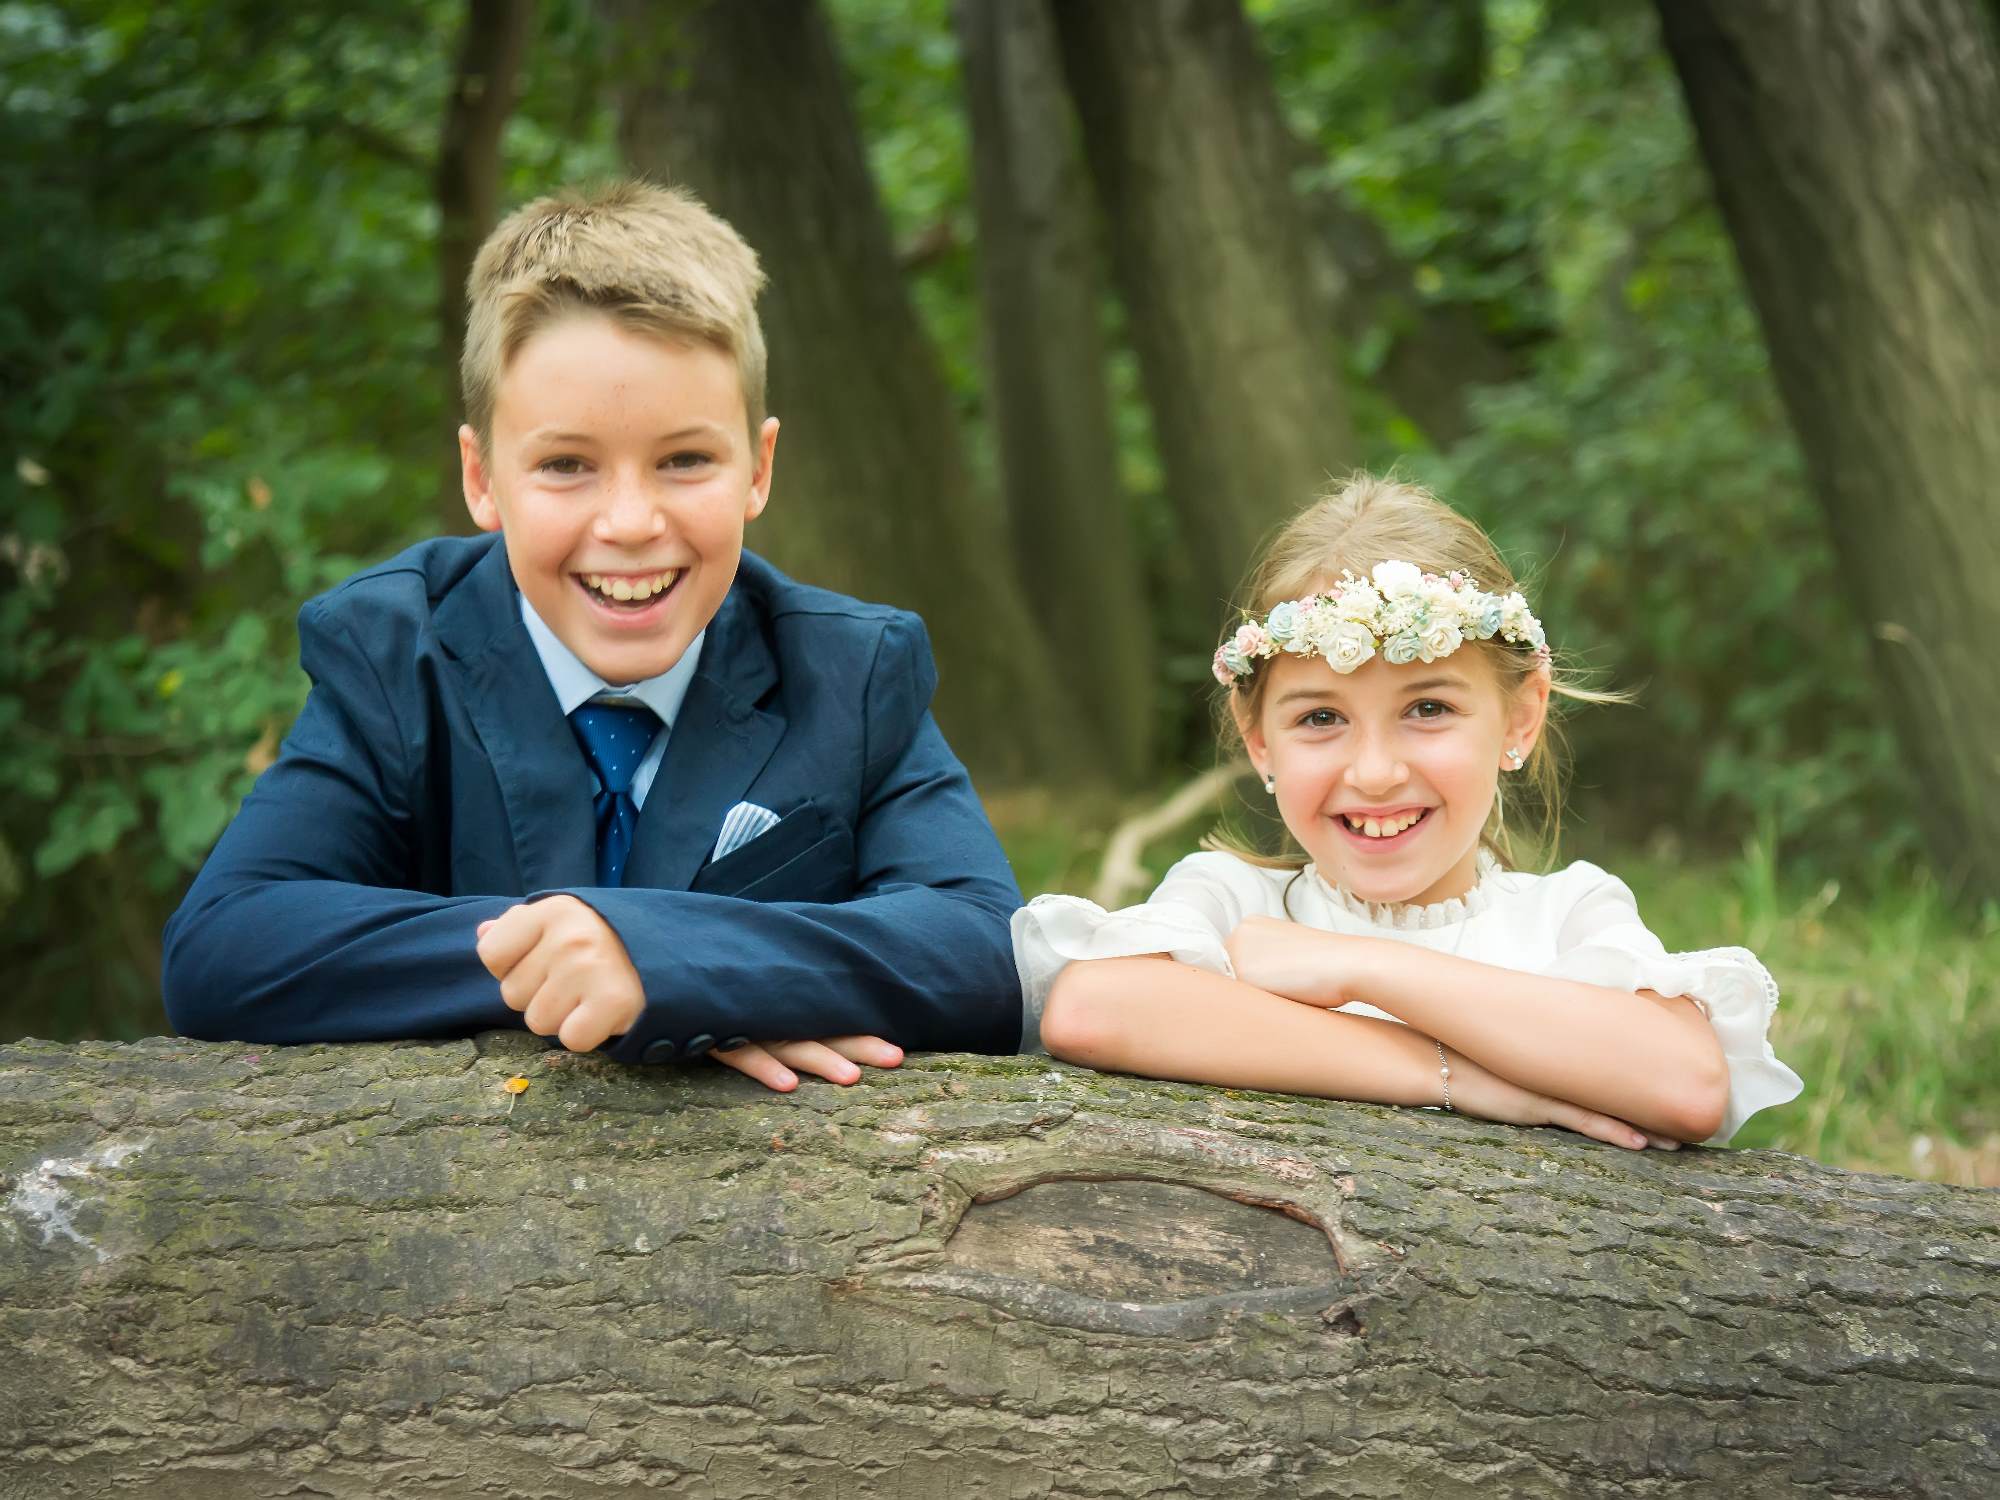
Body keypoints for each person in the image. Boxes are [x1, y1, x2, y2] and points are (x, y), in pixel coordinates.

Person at [162, 181, 1024, 1090]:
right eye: (566, 465)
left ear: (759, 468)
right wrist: (581, 964)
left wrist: (679, 964)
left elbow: (984, 946)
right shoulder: (393, 655)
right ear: (482, 476)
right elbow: (227, 944)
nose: (628, 520)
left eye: (685, 460)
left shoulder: (849, 671)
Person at [1016, 474, 1801, 1148]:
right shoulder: (1230, 899)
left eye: (1427, 707)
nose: (1377, 772)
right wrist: (1452, 1074)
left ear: (1520, 717)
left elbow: (1687, 1084)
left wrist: (1366, 967)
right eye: (1320, 719)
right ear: (1259, 742)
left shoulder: (1567, 913)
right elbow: (1091, 1010)